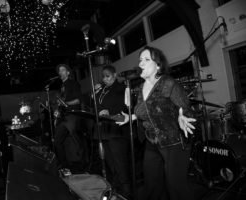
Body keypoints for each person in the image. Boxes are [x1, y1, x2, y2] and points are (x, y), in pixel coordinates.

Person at [117, 46, 197, 200]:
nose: (141, 63)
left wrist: (183, 117)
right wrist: (130, 117)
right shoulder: (140, 88)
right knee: (152, 185)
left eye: (146, 59)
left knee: (176, 187)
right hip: (152, 142)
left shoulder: (167, 83)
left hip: (174, 141)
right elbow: (144, 111)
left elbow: (185, 108)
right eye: (140, 60)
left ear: (158, 65)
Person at [93, 65, 131, 197]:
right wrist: (95, 94)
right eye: (103, 76)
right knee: (110, 163)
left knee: (120, 162)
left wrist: (110, 111)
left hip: (117, 130)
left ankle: (126, 191)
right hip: (105, 131)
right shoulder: (102, 90)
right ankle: (116, 188)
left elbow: (126, 108)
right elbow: (95, 105)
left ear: (114, 75)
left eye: (107, 76)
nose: (105, 79)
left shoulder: (121, 88)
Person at [54, 63, 85, 172]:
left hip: (72, 116)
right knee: (68, 142)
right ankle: (69, 165)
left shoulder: (73, 83)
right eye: (59, 71)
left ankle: (66, 165)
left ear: (68, 72)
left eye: (63, 70)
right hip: (63, 117)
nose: (60, 72)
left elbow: (78, 100)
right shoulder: (62, 87)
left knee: (60, 141)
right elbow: (61, 104)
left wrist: (65, 103)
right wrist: (57, 111)